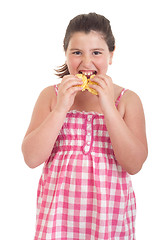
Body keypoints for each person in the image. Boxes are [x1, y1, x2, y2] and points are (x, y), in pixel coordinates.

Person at [22, 12, 148, 240]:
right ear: (66, 54)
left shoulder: (128, 100)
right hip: (58, 222)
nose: (87, 62)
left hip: (109, 221)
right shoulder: (51, 96)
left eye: (97, 53)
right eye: (77, 52)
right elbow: (31, 158)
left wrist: (108, 106)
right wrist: (61, 108)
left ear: (111, 54)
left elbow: (135, 164)